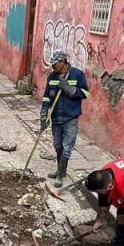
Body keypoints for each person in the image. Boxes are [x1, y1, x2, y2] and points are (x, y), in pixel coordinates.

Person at [40, 50, 89, 187]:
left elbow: (85, 93)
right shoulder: (52, 77)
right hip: (56, 117)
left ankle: (60, 174)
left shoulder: (77, 74)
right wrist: (44, 114)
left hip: (70, 117)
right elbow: (46, 97)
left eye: (55, 65)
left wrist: (68, 88)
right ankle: (60, 170)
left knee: (67, 147)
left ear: (62, 62)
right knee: (57, 146)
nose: (52, 67)